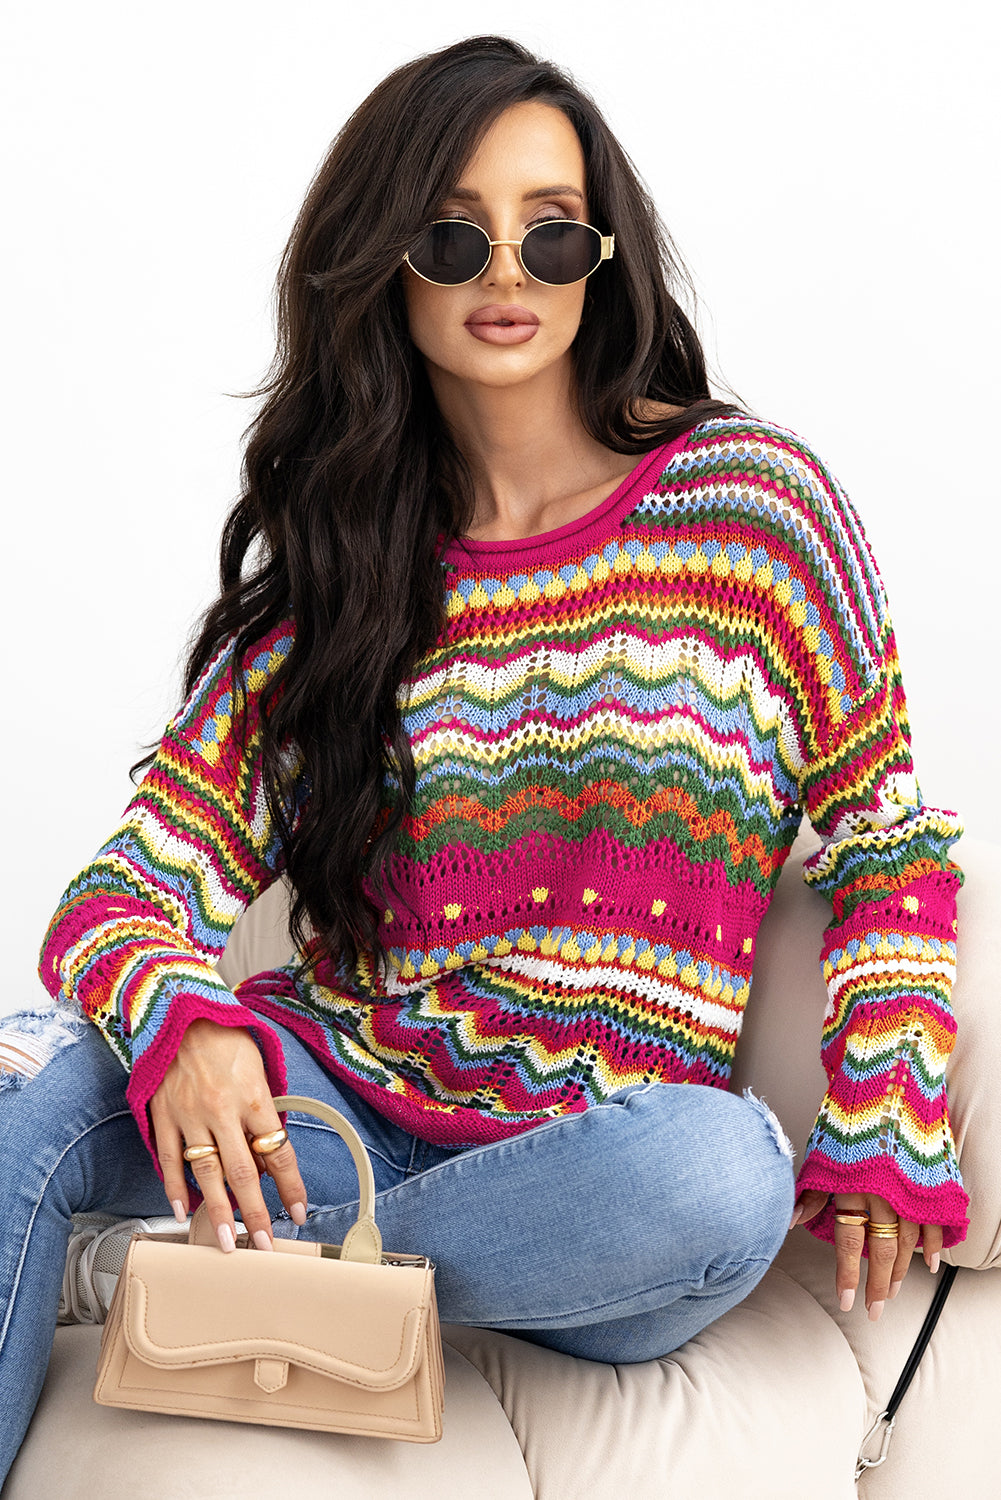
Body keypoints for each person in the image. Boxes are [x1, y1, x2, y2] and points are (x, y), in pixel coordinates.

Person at [0, 33, 968, 1475]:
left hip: (600, 1178)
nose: (505, 272)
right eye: (453, 235)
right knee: (23, 1094)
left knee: (721, 1174)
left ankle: (206, 1278)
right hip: (331, 1113)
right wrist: (186, 1026)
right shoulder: (342, 576)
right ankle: (275, 1265)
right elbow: (122, 893)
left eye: (551, 231)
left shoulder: (754, 513)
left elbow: (889, 849)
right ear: (388, 263)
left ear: (602, 258)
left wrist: (887, 1114)